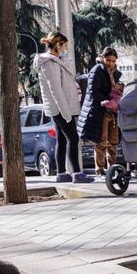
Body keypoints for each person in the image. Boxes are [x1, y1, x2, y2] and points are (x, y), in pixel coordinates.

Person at [34, 31, 92, 183]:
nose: (66, 49)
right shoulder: (48, 63)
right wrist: (65, 112)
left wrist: (64, 57)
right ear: (58, 45)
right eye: (64, 46)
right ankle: (77, 173)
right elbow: (55, 89)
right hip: (61, 107)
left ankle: (62, 173)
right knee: (73, 138)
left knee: (62, 139)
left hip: (63, 106)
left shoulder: (55, 61)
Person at [77, 47, 122, 175]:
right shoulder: (97, 70)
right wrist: (110, 99)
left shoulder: (115, 72)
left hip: (112, 110)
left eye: (113, 61)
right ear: (103, 58)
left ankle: (113, 166)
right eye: (108, 60)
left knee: (113, 141)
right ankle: (100, 168)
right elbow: (93, 92)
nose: (111, 63)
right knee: (102, 141)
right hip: (100, 110)